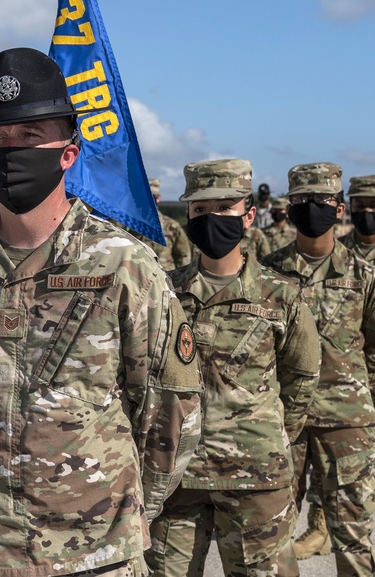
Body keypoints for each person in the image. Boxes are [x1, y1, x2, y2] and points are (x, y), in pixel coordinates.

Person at [0, 47, 203, 576]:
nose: (11, 151)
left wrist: (120, 515)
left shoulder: (123, 264)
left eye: (30, 136)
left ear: (67, 153)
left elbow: (171, 408)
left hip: (91, 556)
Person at [145, 159, 320, 576]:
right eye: (201, 211)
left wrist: (265, 431)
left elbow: (302, 379)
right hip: (175, 480)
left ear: (248, 214)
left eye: (224, 208)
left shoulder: (281, 296)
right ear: (186, 216)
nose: (212, 219)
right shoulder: (162, 291)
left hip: (254, 478)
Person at [261, 163, 375, 574]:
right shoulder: (265, 272)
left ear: (340, 208)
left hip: (346, 421)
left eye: (322, 200)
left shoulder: (363, 274)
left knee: (353, 533)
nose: (312, 208)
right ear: (289, 210)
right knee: (271, 534)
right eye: (301, 201)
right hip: (282, 421)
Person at [129, 177, 191, 271]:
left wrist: (178, 282)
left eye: (151, 197)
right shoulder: (127, 225)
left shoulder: (172, 227)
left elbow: (183, 257)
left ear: (158, 198)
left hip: (165, 280)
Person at [342, 175, 375, 263]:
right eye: (360, 206)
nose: (366, 211)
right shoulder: (337, 249)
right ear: (351, 207)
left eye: (373, 205)